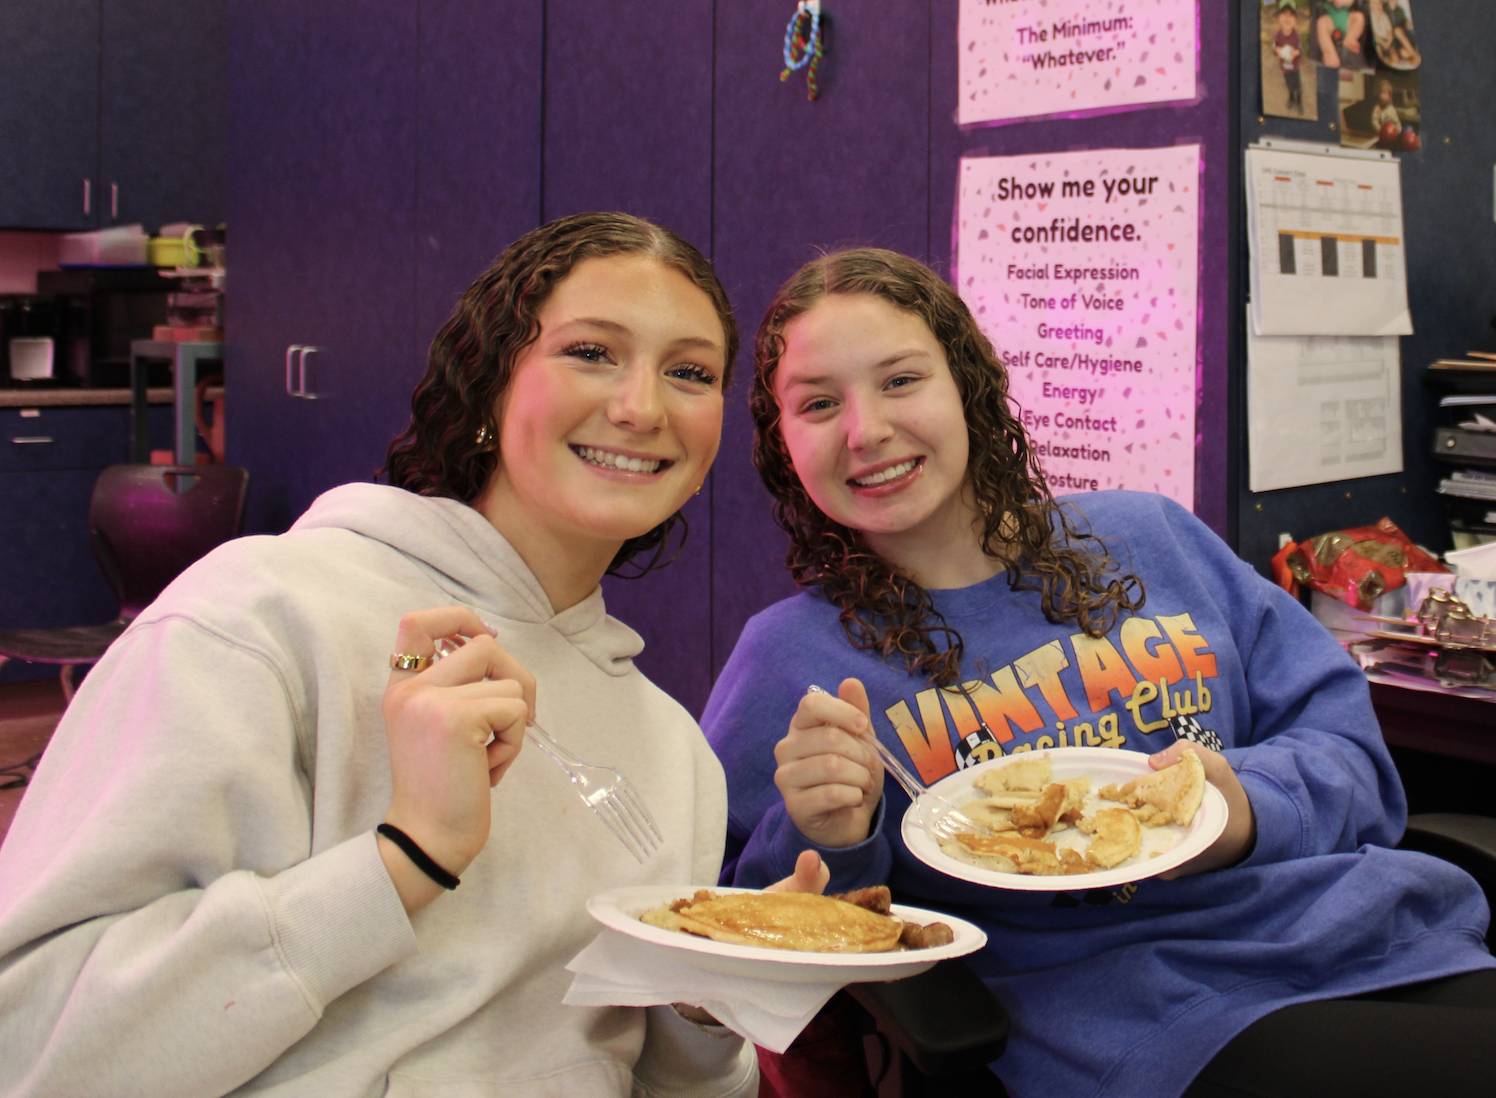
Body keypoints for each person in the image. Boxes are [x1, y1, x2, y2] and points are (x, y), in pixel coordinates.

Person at [0, 212, 824, 1096]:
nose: (641, 407)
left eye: (689, 373)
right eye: (591, 352)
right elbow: (37, 1045)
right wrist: (408, 855)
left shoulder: (673, 756)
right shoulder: (260, 618)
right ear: (491, 381)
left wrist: (706, 1000)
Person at [703, 247, 1496, 1097]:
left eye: (901, 381)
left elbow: (1355, 760)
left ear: (968, 383)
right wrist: (829, 836)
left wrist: (1236, 809)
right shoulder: (791, 660)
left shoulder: (1151, 538)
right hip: (1142, 1021)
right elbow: (749, 944)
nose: (866, 430)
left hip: (1374, 935)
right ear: (783, 442)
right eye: (819, 404)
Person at [1272, 2, 1304, 113]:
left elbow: (1300, 50)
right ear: (1278, 18)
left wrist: (1296, 52)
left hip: (1295, 68)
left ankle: (1299, 101)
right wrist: (1277, 50)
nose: (1287, 18)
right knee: (1289, 84)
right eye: (1284, 14)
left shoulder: (1296, 36)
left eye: (1291, 15)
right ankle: (1291, 98)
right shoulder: (1277, 35)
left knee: (1297, 85)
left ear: (1295, 20)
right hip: (1284, 68)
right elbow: (1274, 47)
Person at [1316, 0, 1366, 69]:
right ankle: (1330, 53)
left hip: (1347, 17)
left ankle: (1350, 38)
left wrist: (1344, 1)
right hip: (1330, 18)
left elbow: (1351, 2)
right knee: (1321, 23)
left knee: (1359, 17)